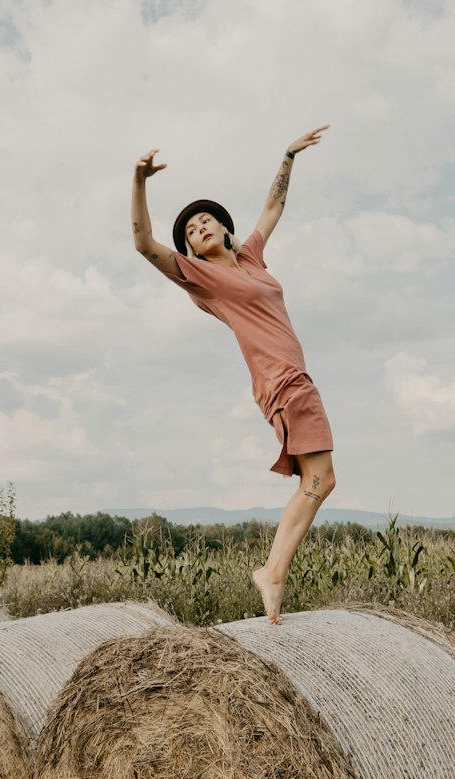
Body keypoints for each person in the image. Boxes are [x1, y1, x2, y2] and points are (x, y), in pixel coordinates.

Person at [130, 125, 333, 624]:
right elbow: (142, 242)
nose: (198, 227)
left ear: (223, 229)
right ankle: (272, 572)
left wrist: (288, 155)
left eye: (205, 221)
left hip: (296, 379)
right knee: (321, 479)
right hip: (282, 382)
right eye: (191, 231)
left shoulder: (250, 260)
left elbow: (273, 209)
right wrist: (139, 181)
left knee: (319, 480)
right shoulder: (205, 279)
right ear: (192, 252)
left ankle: (273, 572)